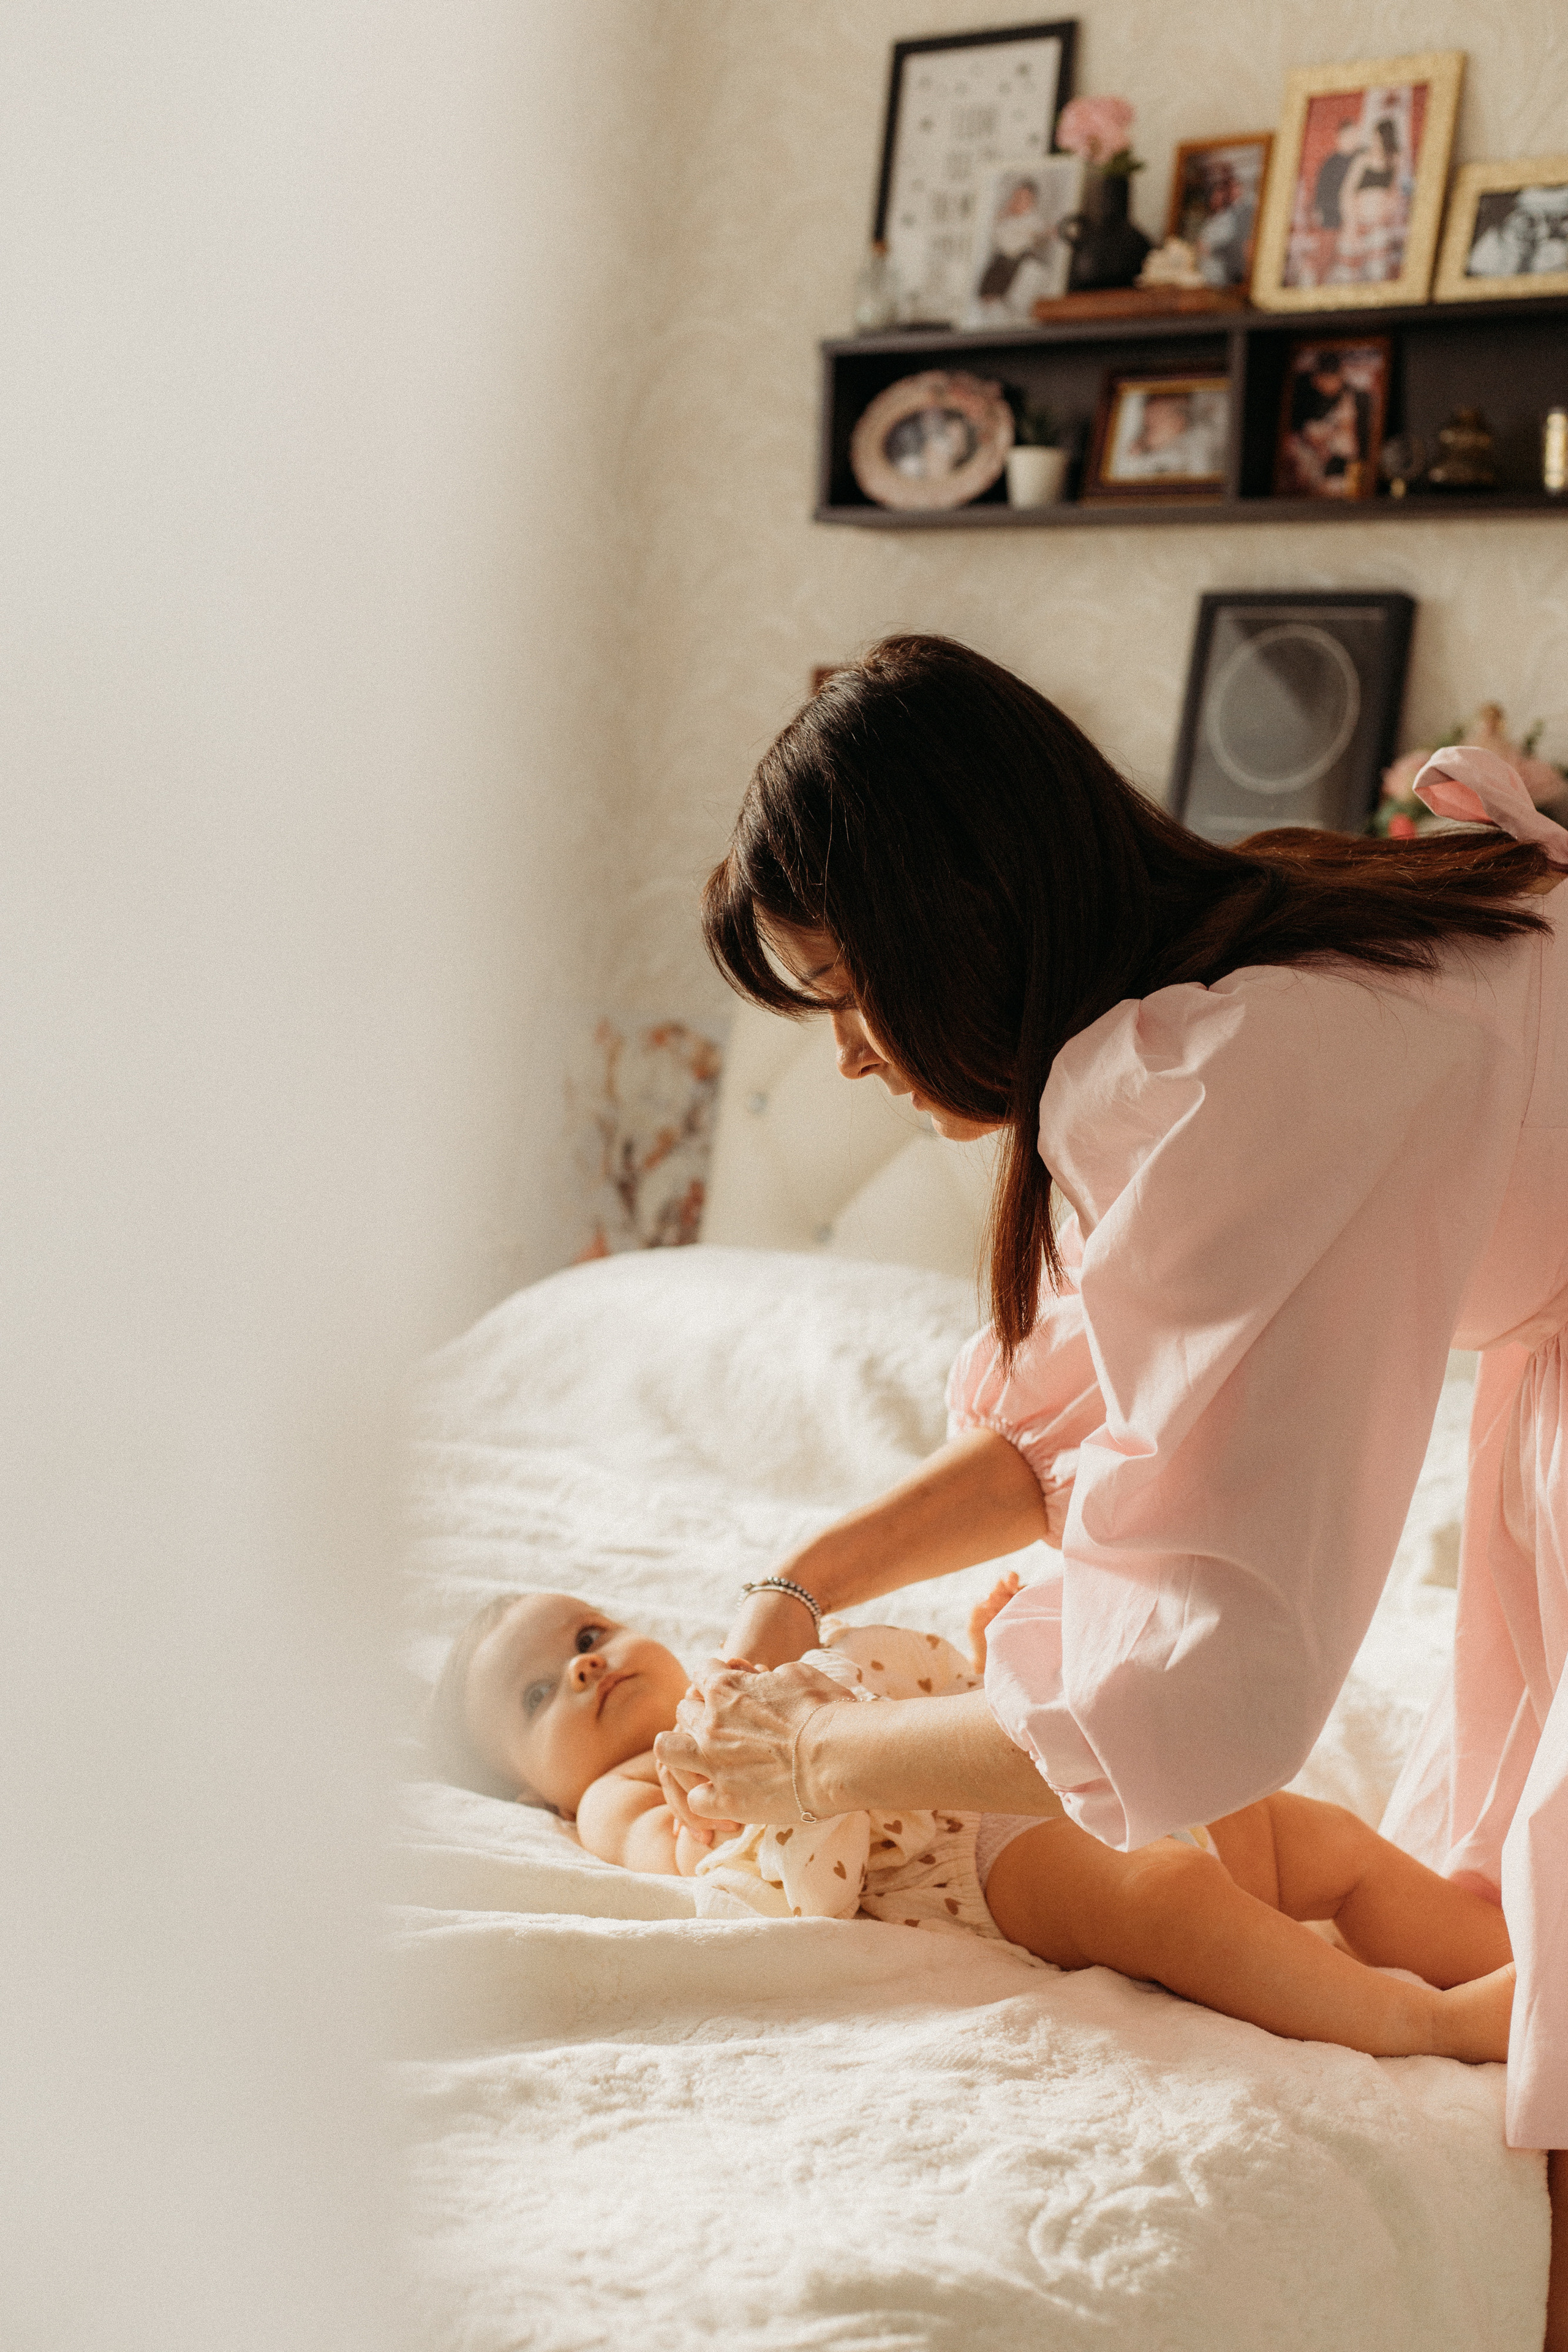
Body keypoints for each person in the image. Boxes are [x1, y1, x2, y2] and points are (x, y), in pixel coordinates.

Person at [650, 636, 1568, 2344]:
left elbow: (1199, 1690)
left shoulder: (1238, 1074)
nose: (847, 1058)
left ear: (957, 926)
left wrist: (818, 1761)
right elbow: (1071, 1421)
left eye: (848, 989)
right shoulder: (1203, 1003)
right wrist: (807, 1579)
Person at [428, 1583, 1515, 2061]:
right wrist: (707, 1816)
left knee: (1321, 1844)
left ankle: (1515, 1960)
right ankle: (1424, 2023)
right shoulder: (623, 1794)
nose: (584, 1665)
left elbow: (913, 1715)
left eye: (590, 1630)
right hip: (981, 1856)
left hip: (1040, 1774)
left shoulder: (755, 1674)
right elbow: (702, 1865)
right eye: (538, 1697)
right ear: (534, 1790)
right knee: (1166, 1897)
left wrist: (989, 1671)